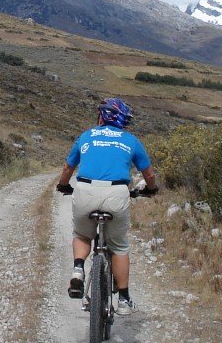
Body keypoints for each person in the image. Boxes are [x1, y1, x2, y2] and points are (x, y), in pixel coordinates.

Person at [54, 97, 158, 315]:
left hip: (85, 191)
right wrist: (150, 189)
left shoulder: (87, 136)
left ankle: (78, 271)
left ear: (102, 115)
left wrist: (64, 186)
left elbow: (67, 168)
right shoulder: (130, 140)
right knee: (119, 246)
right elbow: (149, 174)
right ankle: (124, 300)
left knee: (82, 235)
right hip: (117, 193)